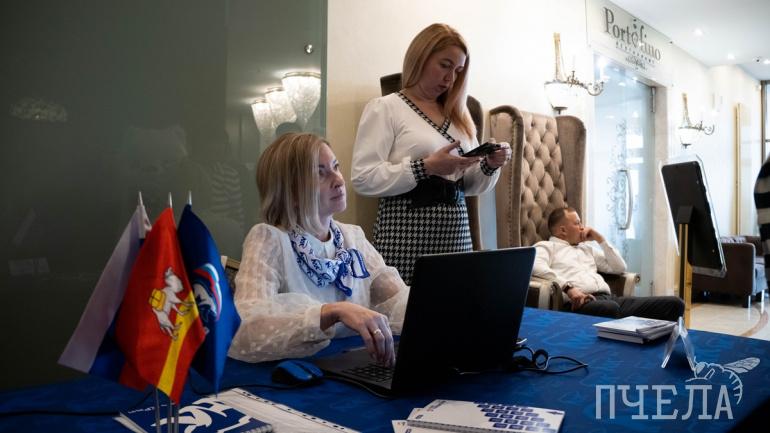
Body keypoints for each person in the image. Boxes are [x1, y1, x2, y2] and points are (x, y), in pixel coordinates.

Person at [228, 133, 409, 366]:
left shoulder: (353, 237)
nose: (339, 180)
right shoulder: (269, 239)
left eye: (336, 167)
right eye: (320, 173)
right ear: (290, 192)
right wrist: (332, 312)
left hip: (355, 365)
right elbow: (246, 330)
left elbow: (398, 301)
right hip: (298, 375)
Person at [351, 23, 511, 285]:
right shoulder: (386, 108)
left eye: (458, 71)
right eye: (445, 65)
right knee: (406, 309)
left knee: (456, 306)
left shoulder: (459, 116)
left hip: (457, 238)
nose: (450, 79)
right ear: (420, 57)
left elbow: (469, 186)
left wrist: (490, 165)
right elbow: (363, 178)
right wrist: (425, 167)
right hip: (405, 237)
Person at [533, 207, 684, 321]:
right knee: (611, 309)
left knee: (674, 304)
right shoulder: (546, 247)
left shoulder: (587, 249)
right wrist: (569, 288)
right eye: (577, 223)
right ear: (563, 230)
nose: (582, 227)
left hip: (611, 299)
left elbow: (619, 267)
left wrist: (600, 239)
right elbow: (536, 267)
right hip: (580, 303)